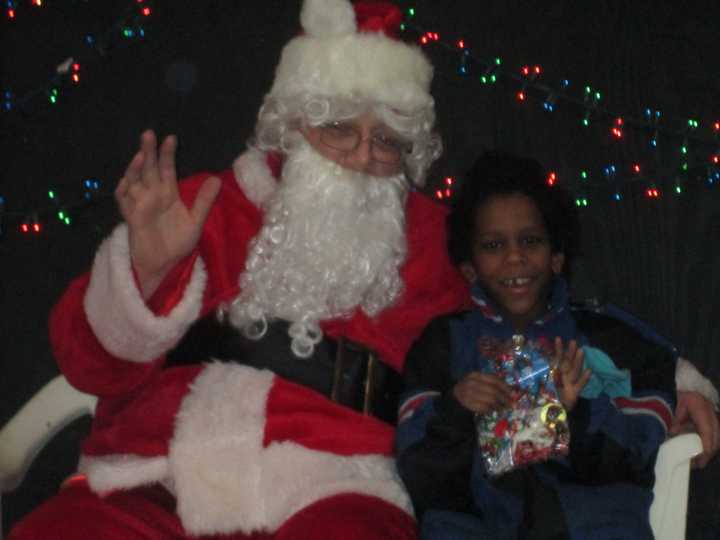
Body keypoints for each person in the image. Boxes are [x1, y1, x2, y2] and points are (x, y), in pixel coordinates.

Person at [8, 1, 470, 539]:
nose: (363, 156)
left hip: (336, 483)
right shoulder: (201, 205)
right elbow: (88, 367)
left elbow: (498, 337)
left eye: (388, 141)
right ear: (295, 124)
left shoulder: (435, 239)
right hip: (156, 475)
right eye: (340, 128)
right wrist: (146, 273)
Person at [395, 151, 718, 540]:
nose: (515, 257)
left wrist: (571, 415)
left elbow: (638, 456)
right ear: (469, 266)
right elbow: (421, 479)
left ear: (556, 257)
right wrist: (455, 410)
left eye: (530, 241)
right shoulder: (444, 344)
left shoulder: (606, 338)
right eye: (493, 246)